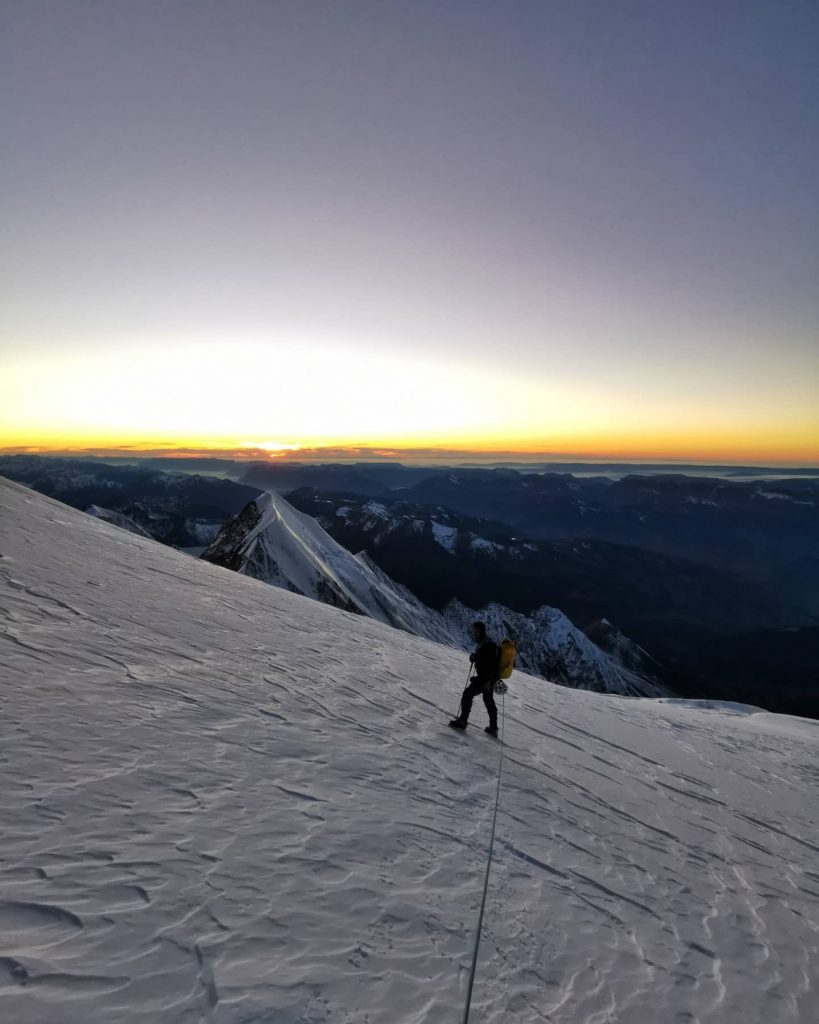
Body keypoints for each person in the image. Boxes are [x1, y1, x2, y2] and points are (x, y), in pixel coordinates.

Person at [449, 621, 500, 736]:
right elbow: (484, 659)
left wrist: (489, 681)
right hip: (487, 679)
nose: (474, 633)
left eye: (476, 631)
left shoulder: (488, 645)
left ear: (481, 631)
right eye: (474, 631)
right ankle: (493, 728)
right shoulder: (484, 643)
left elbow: (493, 665)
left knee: (467, 694)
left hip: (485, 679)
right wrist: (474, 657)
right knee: (488, 701)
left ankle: (462, 721)